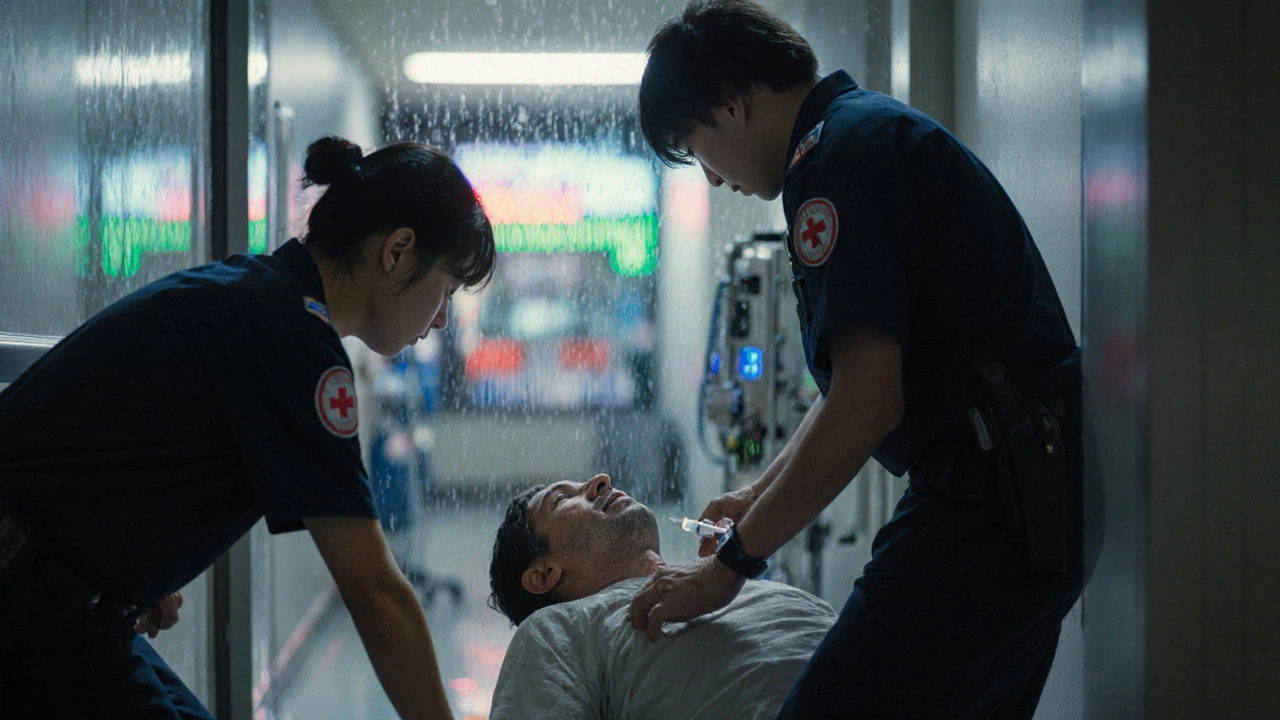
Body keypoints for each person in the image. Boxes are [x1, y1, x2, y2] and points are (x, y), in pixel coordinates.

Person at [629, 1, 1086, 718]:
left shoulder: (835, 164)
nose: (712, 179)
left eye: (695, 148)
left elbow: (869, 403)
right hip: (1032, 490)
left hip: (989, 504)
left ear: (733, 106)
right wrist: (755, 501)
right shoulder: (865, 132)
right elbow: (857, 383)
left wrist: (730, 569)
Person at [0, 135, 495, 720]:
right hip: (29, 610)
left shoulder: (257, 294)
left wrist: (131, 566)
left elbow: (120, 436)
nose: (441, 319)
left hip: (71, 601)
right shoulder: (293, 340)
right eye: (447, 289)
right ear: (397, 251)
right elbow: (374, 592)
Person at [486, 474, 836, 720]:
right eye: (562, 498)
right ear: (544, 574)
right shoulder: (553, 632)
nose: (600, 480)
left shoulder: (738, 585)